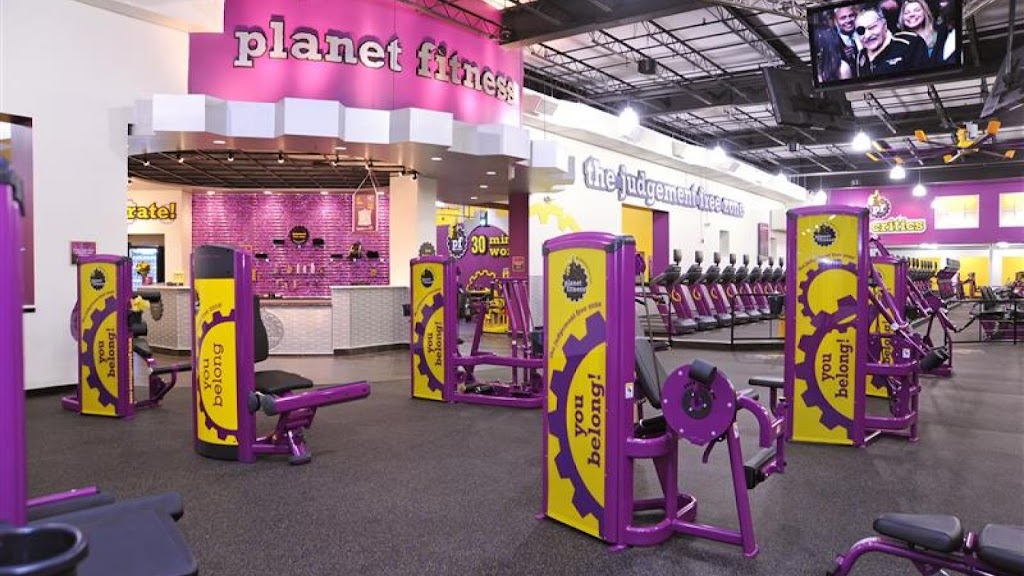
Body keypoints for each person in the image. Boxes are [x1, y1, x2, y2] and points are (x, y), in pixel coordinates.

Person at [855, 6, 930, 77]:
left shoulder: (909, 43)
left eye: (872, 27)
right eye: (861, 31)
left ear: (885, 25)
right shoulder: (861, 56)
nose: (867, 35)